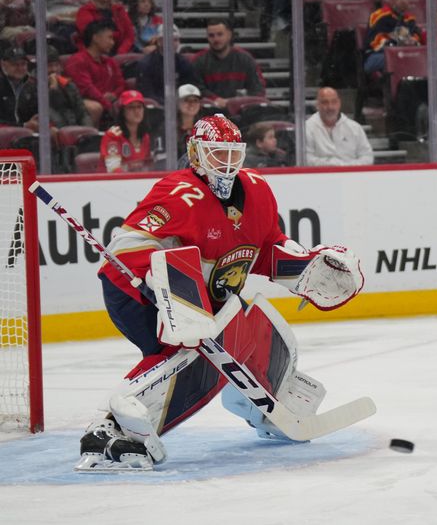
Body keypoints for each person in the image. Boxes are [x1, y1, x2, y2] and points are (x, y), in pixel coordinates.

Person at [77, 113, 364, 470]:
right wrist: (169, 286)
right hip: (135, 293)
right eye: (216, 154)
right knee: (192, 351)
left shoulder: (258, 190)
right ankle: (112, 428)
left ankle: (263, 405)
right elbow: (124, 248)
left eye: (232, 153)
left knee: (241, 328)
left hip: (206, 300)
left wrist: (304, 267)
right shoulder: (179, 192)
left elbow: (267, 248)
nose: (226, 163)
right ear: (195, 154)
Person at [191, 18, 265, 109]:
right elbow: (194, 89)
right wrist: (215, 99)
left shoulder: (246, 59)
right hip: (210, 112)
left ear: (229, 35)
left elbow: (258, 89)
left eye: (220, 34)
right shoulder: (198, 61)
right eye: (211, 35)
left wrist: (239, 102)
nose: (216, 39)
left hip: (242, 112)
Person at [65, 19, 126, 127]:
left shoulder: (109, 61)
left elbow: (121, 83)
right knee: (94, 107)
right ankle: (90, 140)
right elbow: (87, 89)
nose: (112, 43)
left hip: (107, 101)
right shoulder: (78, 60)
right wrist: (106, 103)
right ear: (95, 38)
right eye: (110, 38)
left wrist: (114, 95)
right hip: (79, 102)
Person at [305, 87, 373, 166]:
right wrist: (332, 166)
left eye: (334, 102)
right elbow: (307, 159)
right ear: (317, 105)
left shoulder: (355, 128)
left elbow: (367, 157)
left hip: (352, 176)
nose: (330, 107)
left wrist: (347, 168)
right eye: (325, 102)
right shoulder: (307, 128)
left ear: (339, 103)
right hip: (319, 177)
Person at [136, 24, 200, 104]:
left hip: (181, 107)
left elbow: (191, 88)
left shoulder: (184, 63)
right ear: (159, 41)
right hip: (156, 108)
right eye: (169, 39)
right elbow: (147, 93)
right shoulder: (146, 64)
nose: (173, 43)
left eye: (175, 40)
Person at [363, 0, 423, 76]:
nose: (403, 1)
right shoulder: (379, 15)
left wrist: (412, 41)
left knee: (419, 58)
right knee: (399, 58)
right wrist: (396, 44)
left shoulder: (410, 18)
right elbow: (374, 42)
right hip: (376, 56)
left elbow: (416, 36)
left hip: (401, 54)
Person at [98, 89, 153, 173]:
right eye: (131, 107)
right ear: (122, 111)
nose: (136, 111)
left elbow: (148, 167)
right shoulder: (113, 136)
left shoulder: (145, 137)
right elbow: (113, 170)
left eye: (139, 107)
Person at [0, 47, 37, 129]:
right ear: (3, 65)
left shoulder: (32, 85)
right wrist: (23, 126)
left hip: (28, 135)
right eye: (15, 64)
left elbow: (37, 113)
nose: (20, 68)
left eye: (23, 64)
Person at [176, 83, 203, 162]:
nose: (192, 104)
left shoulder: (204, 129)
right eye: (187, 100)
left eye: (195, 100)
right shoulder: (169, 129)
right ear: (178, 103)